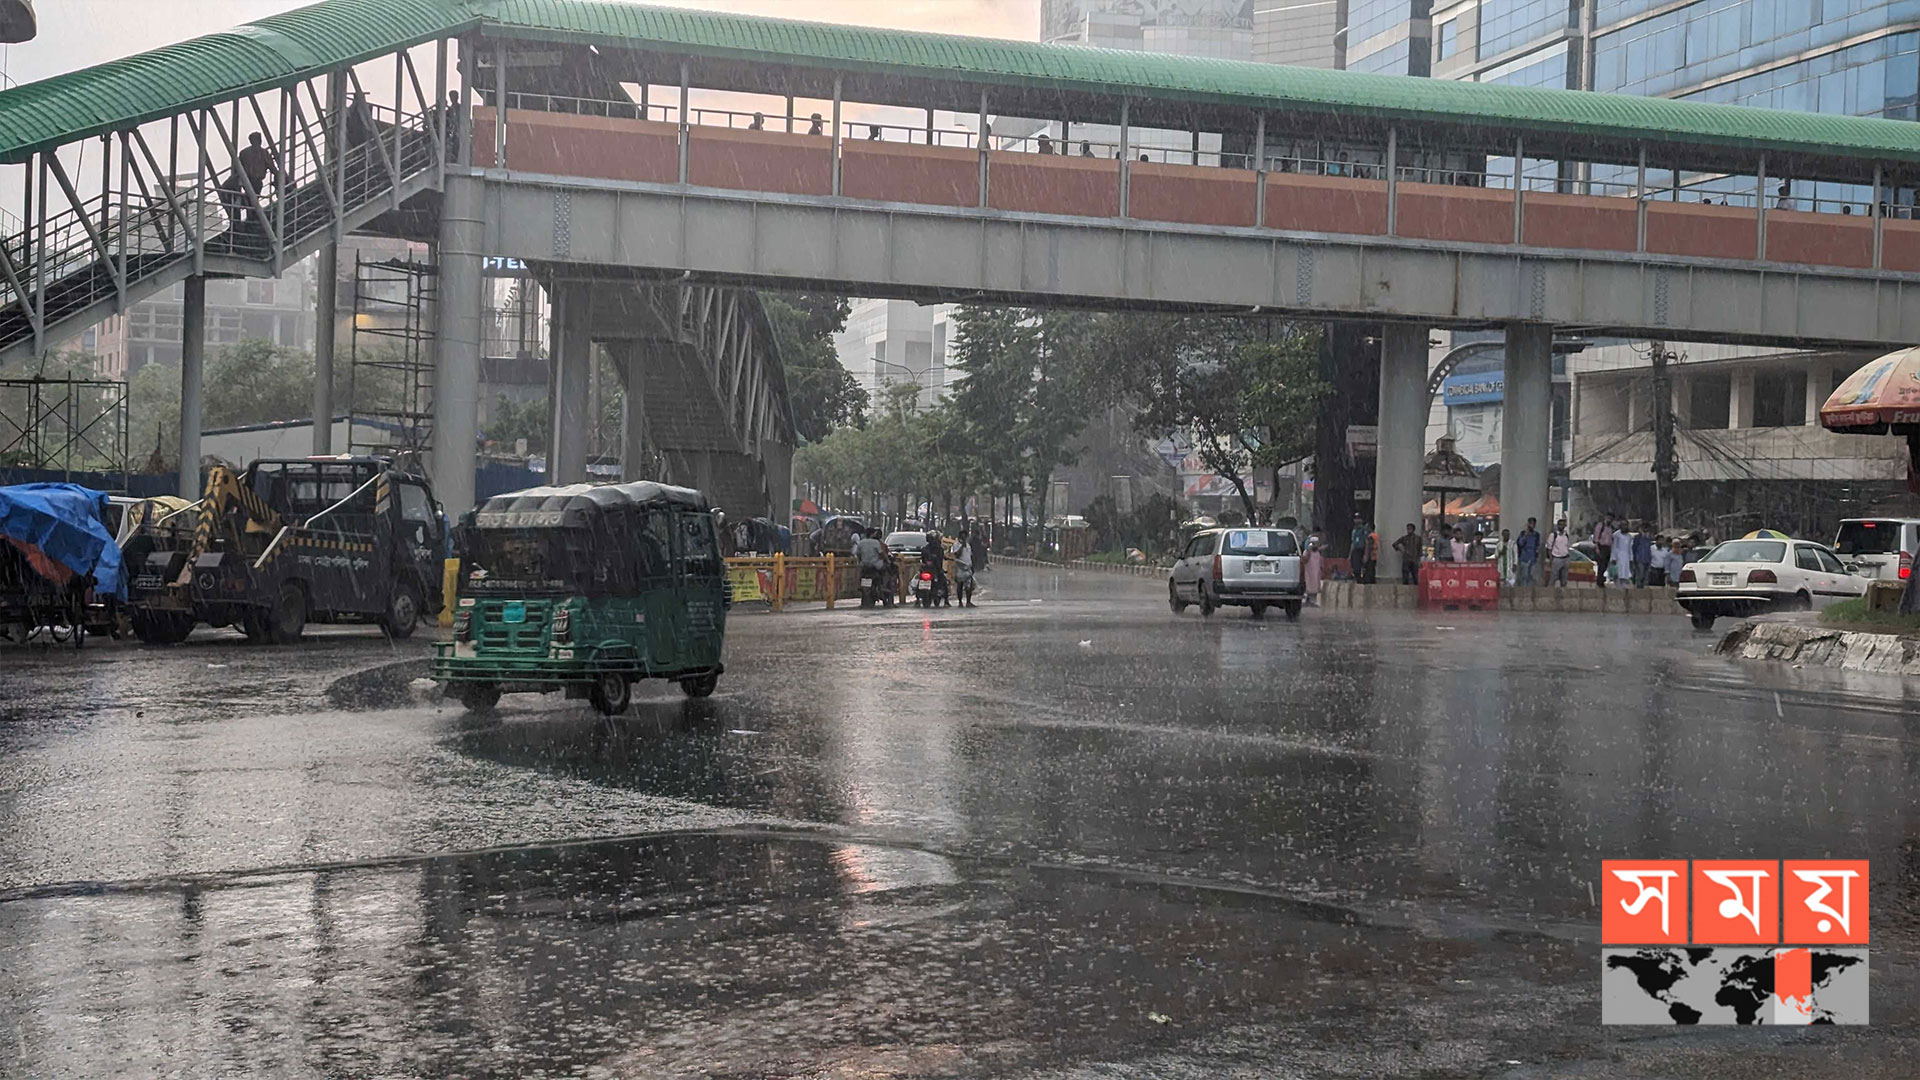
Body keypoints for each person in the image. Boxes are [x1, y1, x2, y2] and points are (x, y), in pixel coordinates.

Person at [1516, 516, 1541, 587]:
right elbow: (1520, 544)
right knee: (1524, 576)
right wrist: (1525, 535)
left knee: (1531, 576)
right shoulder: (1523, 533)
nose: (1532, 525)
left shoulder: (1536, 535)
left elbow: (1537, 546)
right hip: (1524, 557)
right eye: (1530, 524)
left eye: (1533, 524)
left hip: (1532, 558)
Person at [1548, 518, 1573, 586]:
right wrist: (1551, 559)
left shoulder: (1566, 535)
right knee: (1553, 577)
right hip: (1557, 558)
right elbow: (1549, 548)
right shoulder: (1553, 535)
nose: (1562, 526)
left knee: (1564, 579)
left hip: (1565, 558)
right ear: (1558, 525)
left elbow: (1568, 546)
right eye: (1560, 525)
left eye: (1563, 525)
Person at [1592, 515, 1616, 588]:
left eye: (1611, 519)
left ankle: (1601, 579)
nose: (1609, 520)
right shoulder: (1600, 526)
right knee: (1601, 565)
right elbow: (1596, 537)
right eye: (1608, 518)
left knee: (1605, 565)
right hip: (1601, 547)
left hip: (1608, 548)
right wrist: (1597, 548)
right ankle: (1599, 581)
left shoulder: (1611, 527)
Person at [1304, 537, 1324, 606]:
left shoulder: (1318, 553)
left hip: (1316, 573)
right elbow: (1304, 560)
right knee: (1309, 586)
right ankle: (1307, 601)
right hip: (1309, 573)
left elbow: (1320, 563)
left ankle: (1312, 601)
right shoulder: (1307, 552)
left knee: (1315, 587)